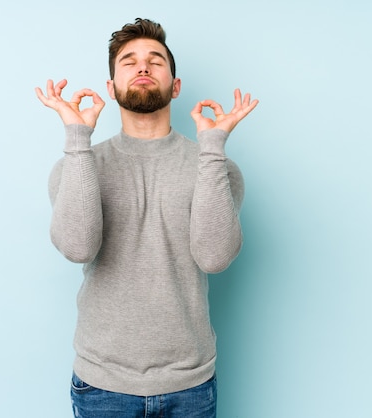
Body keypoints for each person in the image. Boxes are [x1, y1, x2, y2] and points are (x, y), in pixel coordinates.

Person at [35, 18, 258, 418]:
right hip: (102, 385)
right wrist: (76, 137)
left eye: (155, 61)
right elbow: (77, 246)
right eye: (129, 61)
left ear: (175, 86)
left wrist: (212, 147)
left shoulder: (217, 167)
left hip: (189, 386)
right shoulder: (76, 164)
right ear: (111, 87)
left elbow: (214, 257)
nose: (142, 67)